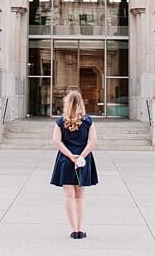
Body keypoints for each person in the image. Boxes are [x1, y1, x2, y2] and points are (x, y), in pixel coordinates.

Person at [49, 88, 99, 240]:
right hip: (83, 160)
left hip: (65, 160)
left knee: (69, 196)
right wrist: (81, 157)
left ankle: (73, 229)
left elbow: (56, 141)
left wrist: (71, 156)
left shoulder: (60, 122)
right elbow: (93, 141)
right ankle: (80, 228)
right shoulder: (88, 121)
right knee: (79, 197)